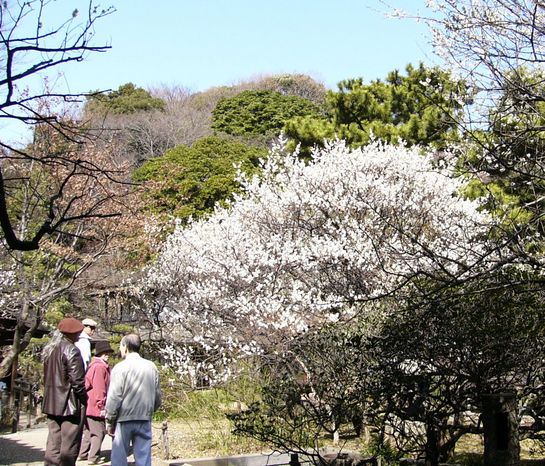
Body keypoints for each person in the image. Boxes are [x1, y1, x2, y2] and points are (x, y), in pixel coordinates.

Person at [105, 334, 161, 466]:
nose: (120, 349)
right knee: (144, 458)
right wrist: (151, 410)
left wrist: (109, 420)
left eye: (120, 346)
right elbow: (157, 395)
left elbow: (114, 397)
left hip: (123, 418)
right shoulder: (151, 367)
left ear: (125, 346)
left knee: (119, 458)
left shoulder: (120, 368)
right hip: (144, 417)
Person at [42, 317, 87, 466]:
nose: (79, 335)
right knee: (69, 444)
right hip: (70, 404)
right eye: (78, 333)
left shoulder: (50, 350)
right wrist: (84, 400)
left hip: (51, 402)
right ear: (71, 333)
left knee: (53, 443)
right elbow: (78, 381)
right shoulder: (72, 350)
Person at [78, 340, 114, 464]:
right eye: (105, 352)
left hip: (90, 404)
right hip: (95, 405)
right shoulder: (99, 367)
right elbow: (100, 388)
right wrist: (101, 405)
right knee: (99, 432)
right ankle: (93, 457)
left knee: (89, 431)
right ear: (99, 353)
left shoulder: (94, 365)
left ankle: (83, 454)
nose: (107, 354)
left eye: (108, 352)